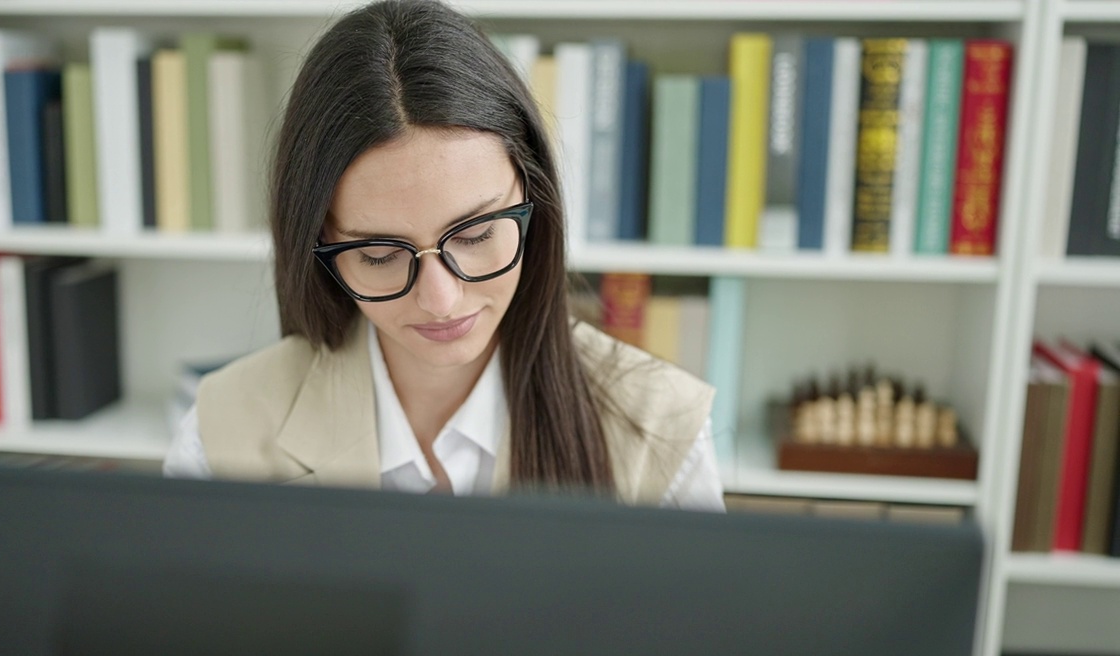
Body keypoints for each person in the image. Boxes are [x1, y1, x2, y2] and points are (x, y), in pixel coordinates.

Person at [163, 0, 722, 510]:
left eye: (476, 235)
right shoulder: (220, 431)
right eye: (380, 254)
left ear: (535, 203)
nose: (440, 299)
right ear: (320, 249)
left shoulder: (661, 430)